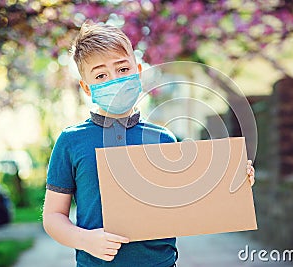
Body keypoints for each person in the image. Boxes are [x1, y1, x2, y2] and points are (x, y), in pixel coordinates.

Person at [42, 22, 255, 267]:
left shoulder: (163, 139)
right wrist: (86, 240)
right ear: (86, 87)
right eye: (101, 75)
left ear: (139, 72)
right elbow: (53, 216)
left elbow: (187, 200)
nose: (115, 80)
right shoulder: (71, 141)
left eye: (123, 69)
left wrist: (233, 182)